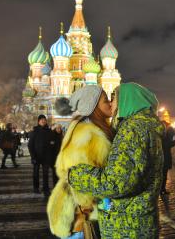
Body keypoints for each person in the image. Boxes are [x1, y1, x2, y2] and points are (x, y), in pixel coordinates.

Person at [68, 82, 164, 238]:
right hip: (133, 220)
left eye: (114, 98)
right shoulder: (142, 127)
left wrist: (76, 175)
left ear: (127, 100)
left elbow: (116, 182)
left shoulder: (132, 130)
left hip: (126, 225)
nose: (111, 103)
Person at [47, 85, 113, 238]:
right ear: (93, 107)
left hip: (82, 210)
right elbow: (82, 180)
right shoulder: (89, 134)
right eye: (105, 101)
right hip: (86, 215)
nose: (110, 103)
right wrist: (106, 209)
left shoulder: (85, 128)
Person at [28, 115, 53, 195]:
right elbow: (30, 145)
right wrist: (32, 156)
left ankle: (46, 188)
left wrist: (52, 144)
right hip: (37, 156)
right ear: (38, 121)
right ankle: (36, 187)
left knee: (46, 173)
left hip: (46, 156)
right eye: (41, 120)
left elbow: (52, 142)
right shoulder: (34, 131)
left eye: (44, 120)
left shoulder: (49, 131)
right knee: (36, 173)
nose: (43, 121)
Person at [161, 120, 175, 195]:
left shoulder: (169, 130)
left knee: (163, 173)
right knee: (163, 173)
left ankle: (162, 189)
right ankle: (162, 189)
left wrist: (166, 145)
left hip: (164, 154)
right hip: (164, 154)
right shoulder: (169, 129)